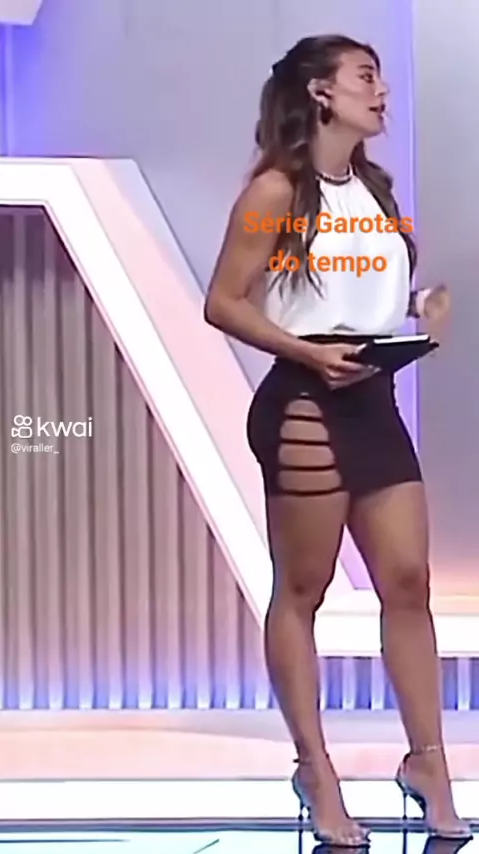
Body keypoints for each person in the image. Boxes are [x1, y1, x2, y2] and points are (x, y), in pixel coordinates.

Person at [204, 34, 471, 847]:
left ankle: (429, 764)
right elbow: (225, 301)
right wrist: (307, 351)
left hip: (373, 398)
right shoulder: (275, 191)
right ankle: (315, 770)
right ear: (321, 93)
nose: (381, 92)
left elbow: (352, 285)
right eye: (366, 77)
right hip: (305, 400)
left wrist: (416, 308)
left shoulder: (378, 191)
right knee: (303, 589)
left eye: (381, 78)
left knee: (409, 581)